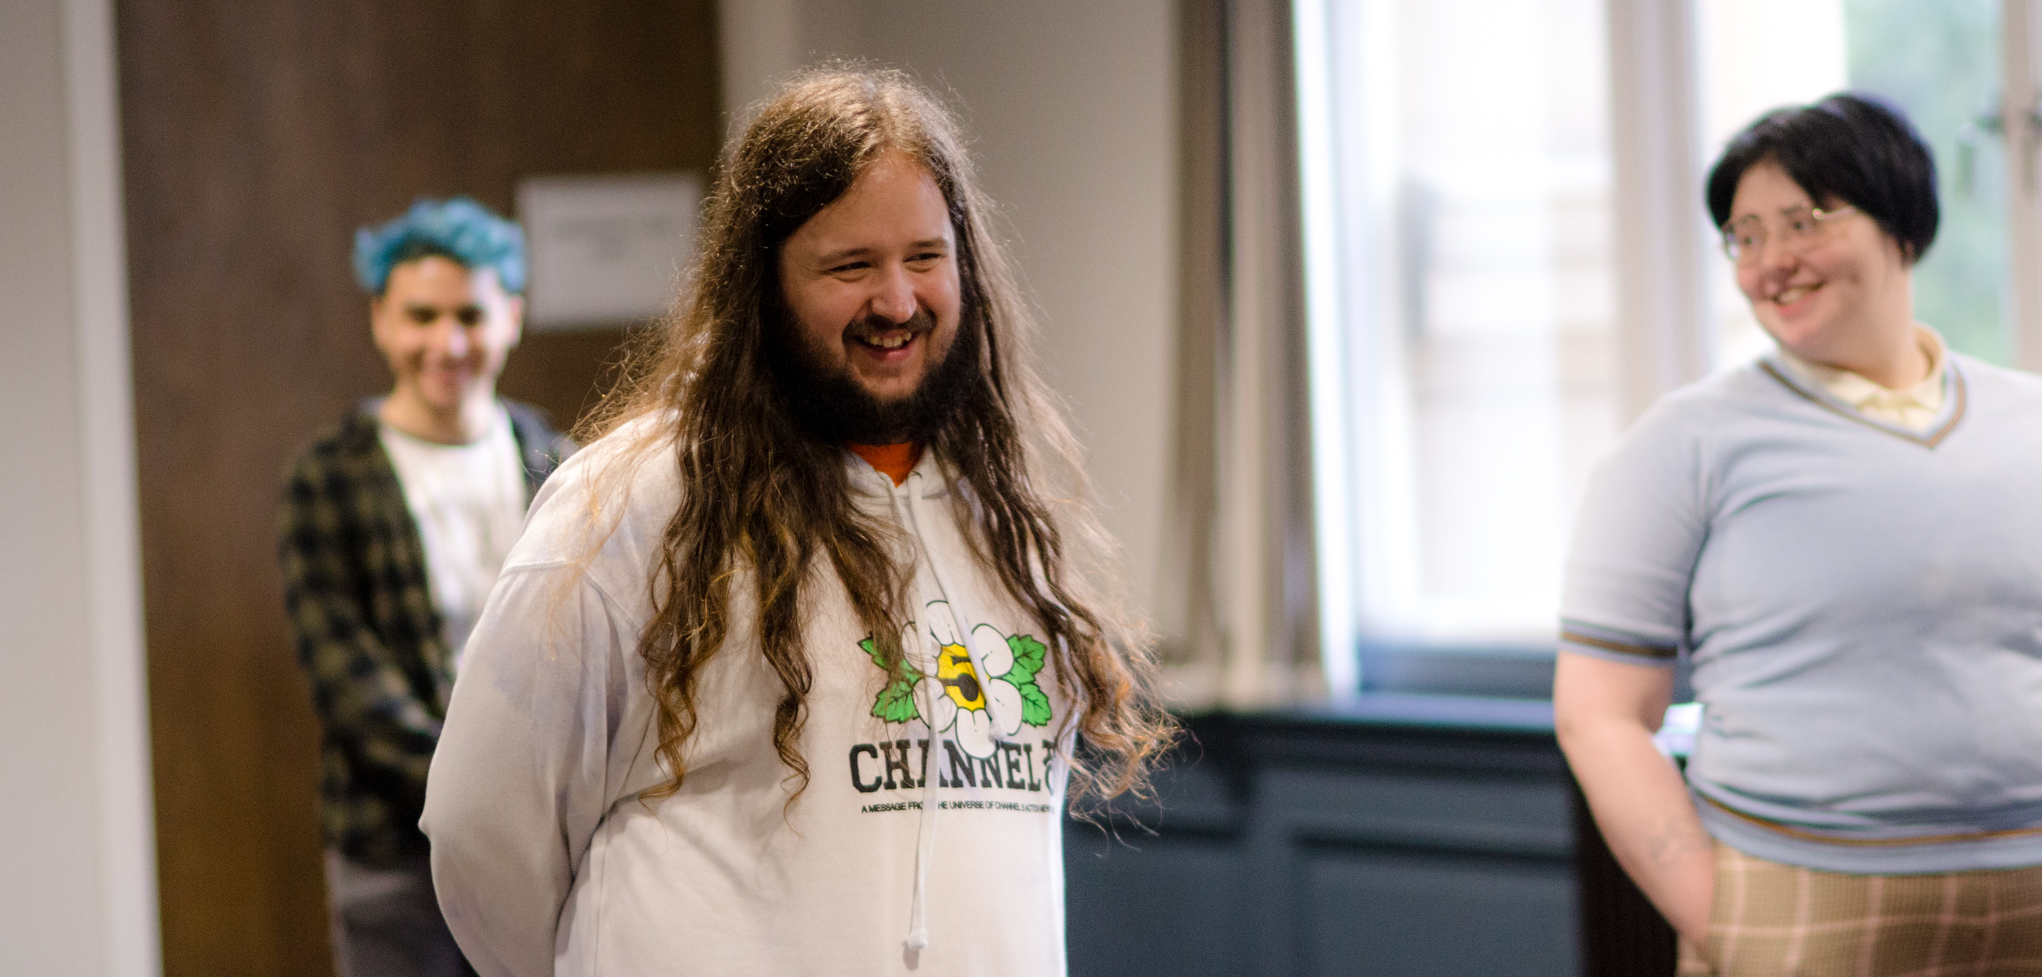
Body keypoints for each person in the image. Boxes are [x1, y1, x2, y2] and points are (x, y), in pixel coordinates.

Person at [420, 69, 1173, 976]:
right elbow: (480, 829)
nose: (896, 302)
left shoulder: (1004, 514)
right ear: (765, 288)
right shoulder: (634, 499)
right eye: (851, 267)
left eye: (925, 258)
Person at [1556, 92, 2042, 976]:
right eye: (1745, 236)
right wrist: (1718, 912)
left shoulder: (2030, 419)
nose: (1772, 261)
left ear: (1902, 221)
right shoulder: (1681, 443)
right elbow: (1599, 714)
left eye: (1804, 220)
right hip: (1796, 894)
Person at [278, 197, 574, 977]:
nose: (447, 342)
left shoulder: (563, 468)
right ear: (381, 319)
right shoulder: (328, 477)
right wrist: (479, 794)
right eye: (421, 315)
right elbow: (354, 692)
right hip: (394, 857)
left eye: (470, 315)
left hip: (543, 847)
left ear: (511, 316)